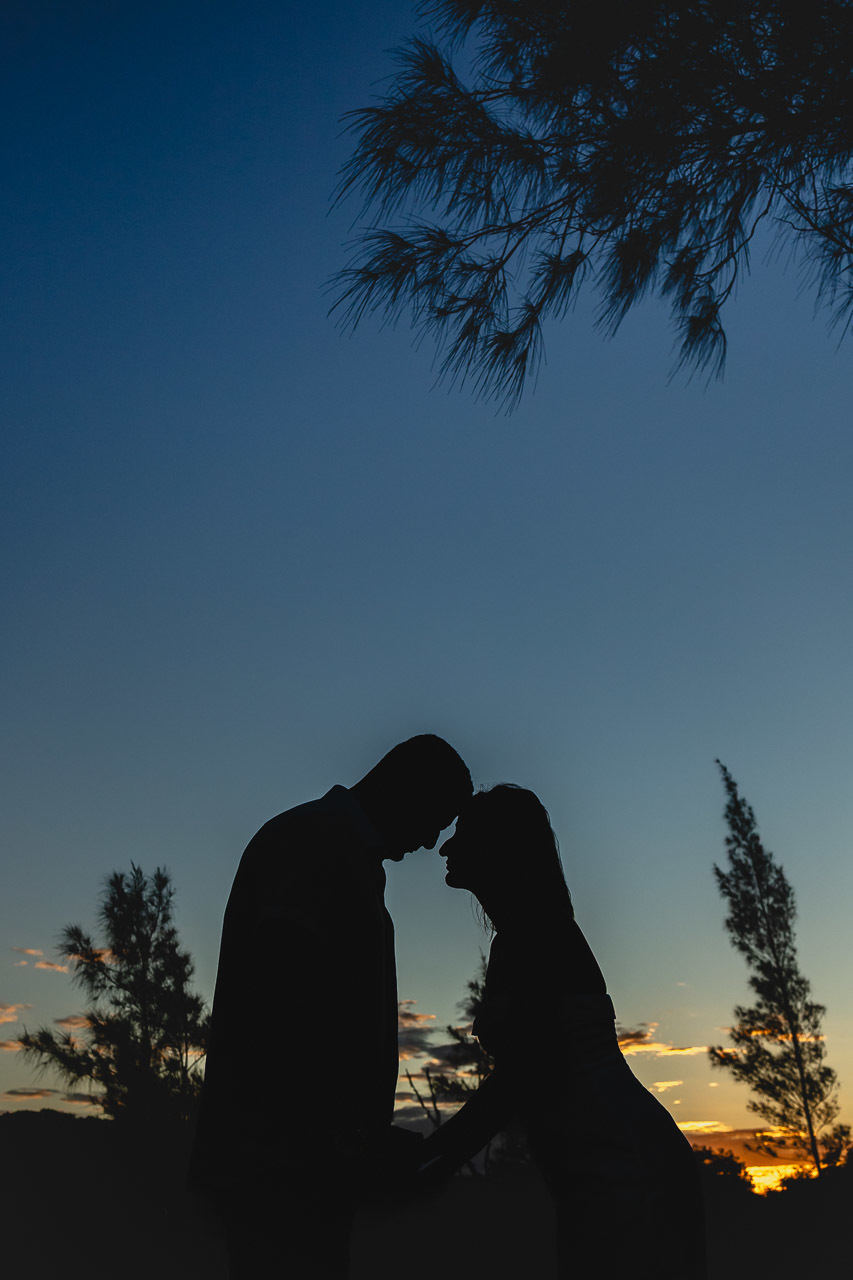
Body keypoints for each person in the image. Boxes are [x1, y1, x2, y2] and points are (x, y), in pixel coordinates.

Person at [187, 734, 472, 1279]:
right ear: (403, 787)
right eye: (436, 816)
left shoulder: (332, 848)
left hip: (297, 1167)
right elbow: (283, 1014)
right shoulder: (312, 846)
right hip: (279, 1172)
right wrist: (347, 1140)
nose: (434, 840)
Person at [418, 784, 707, 1280]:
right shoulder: (527, 934)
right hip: (605, 1161)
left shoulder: (535, 936)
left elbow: (524, 1076)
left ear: (497, 847)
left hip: (625, 1165)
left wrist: (434, 1158)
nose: (446, 848)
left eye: (462, 836)